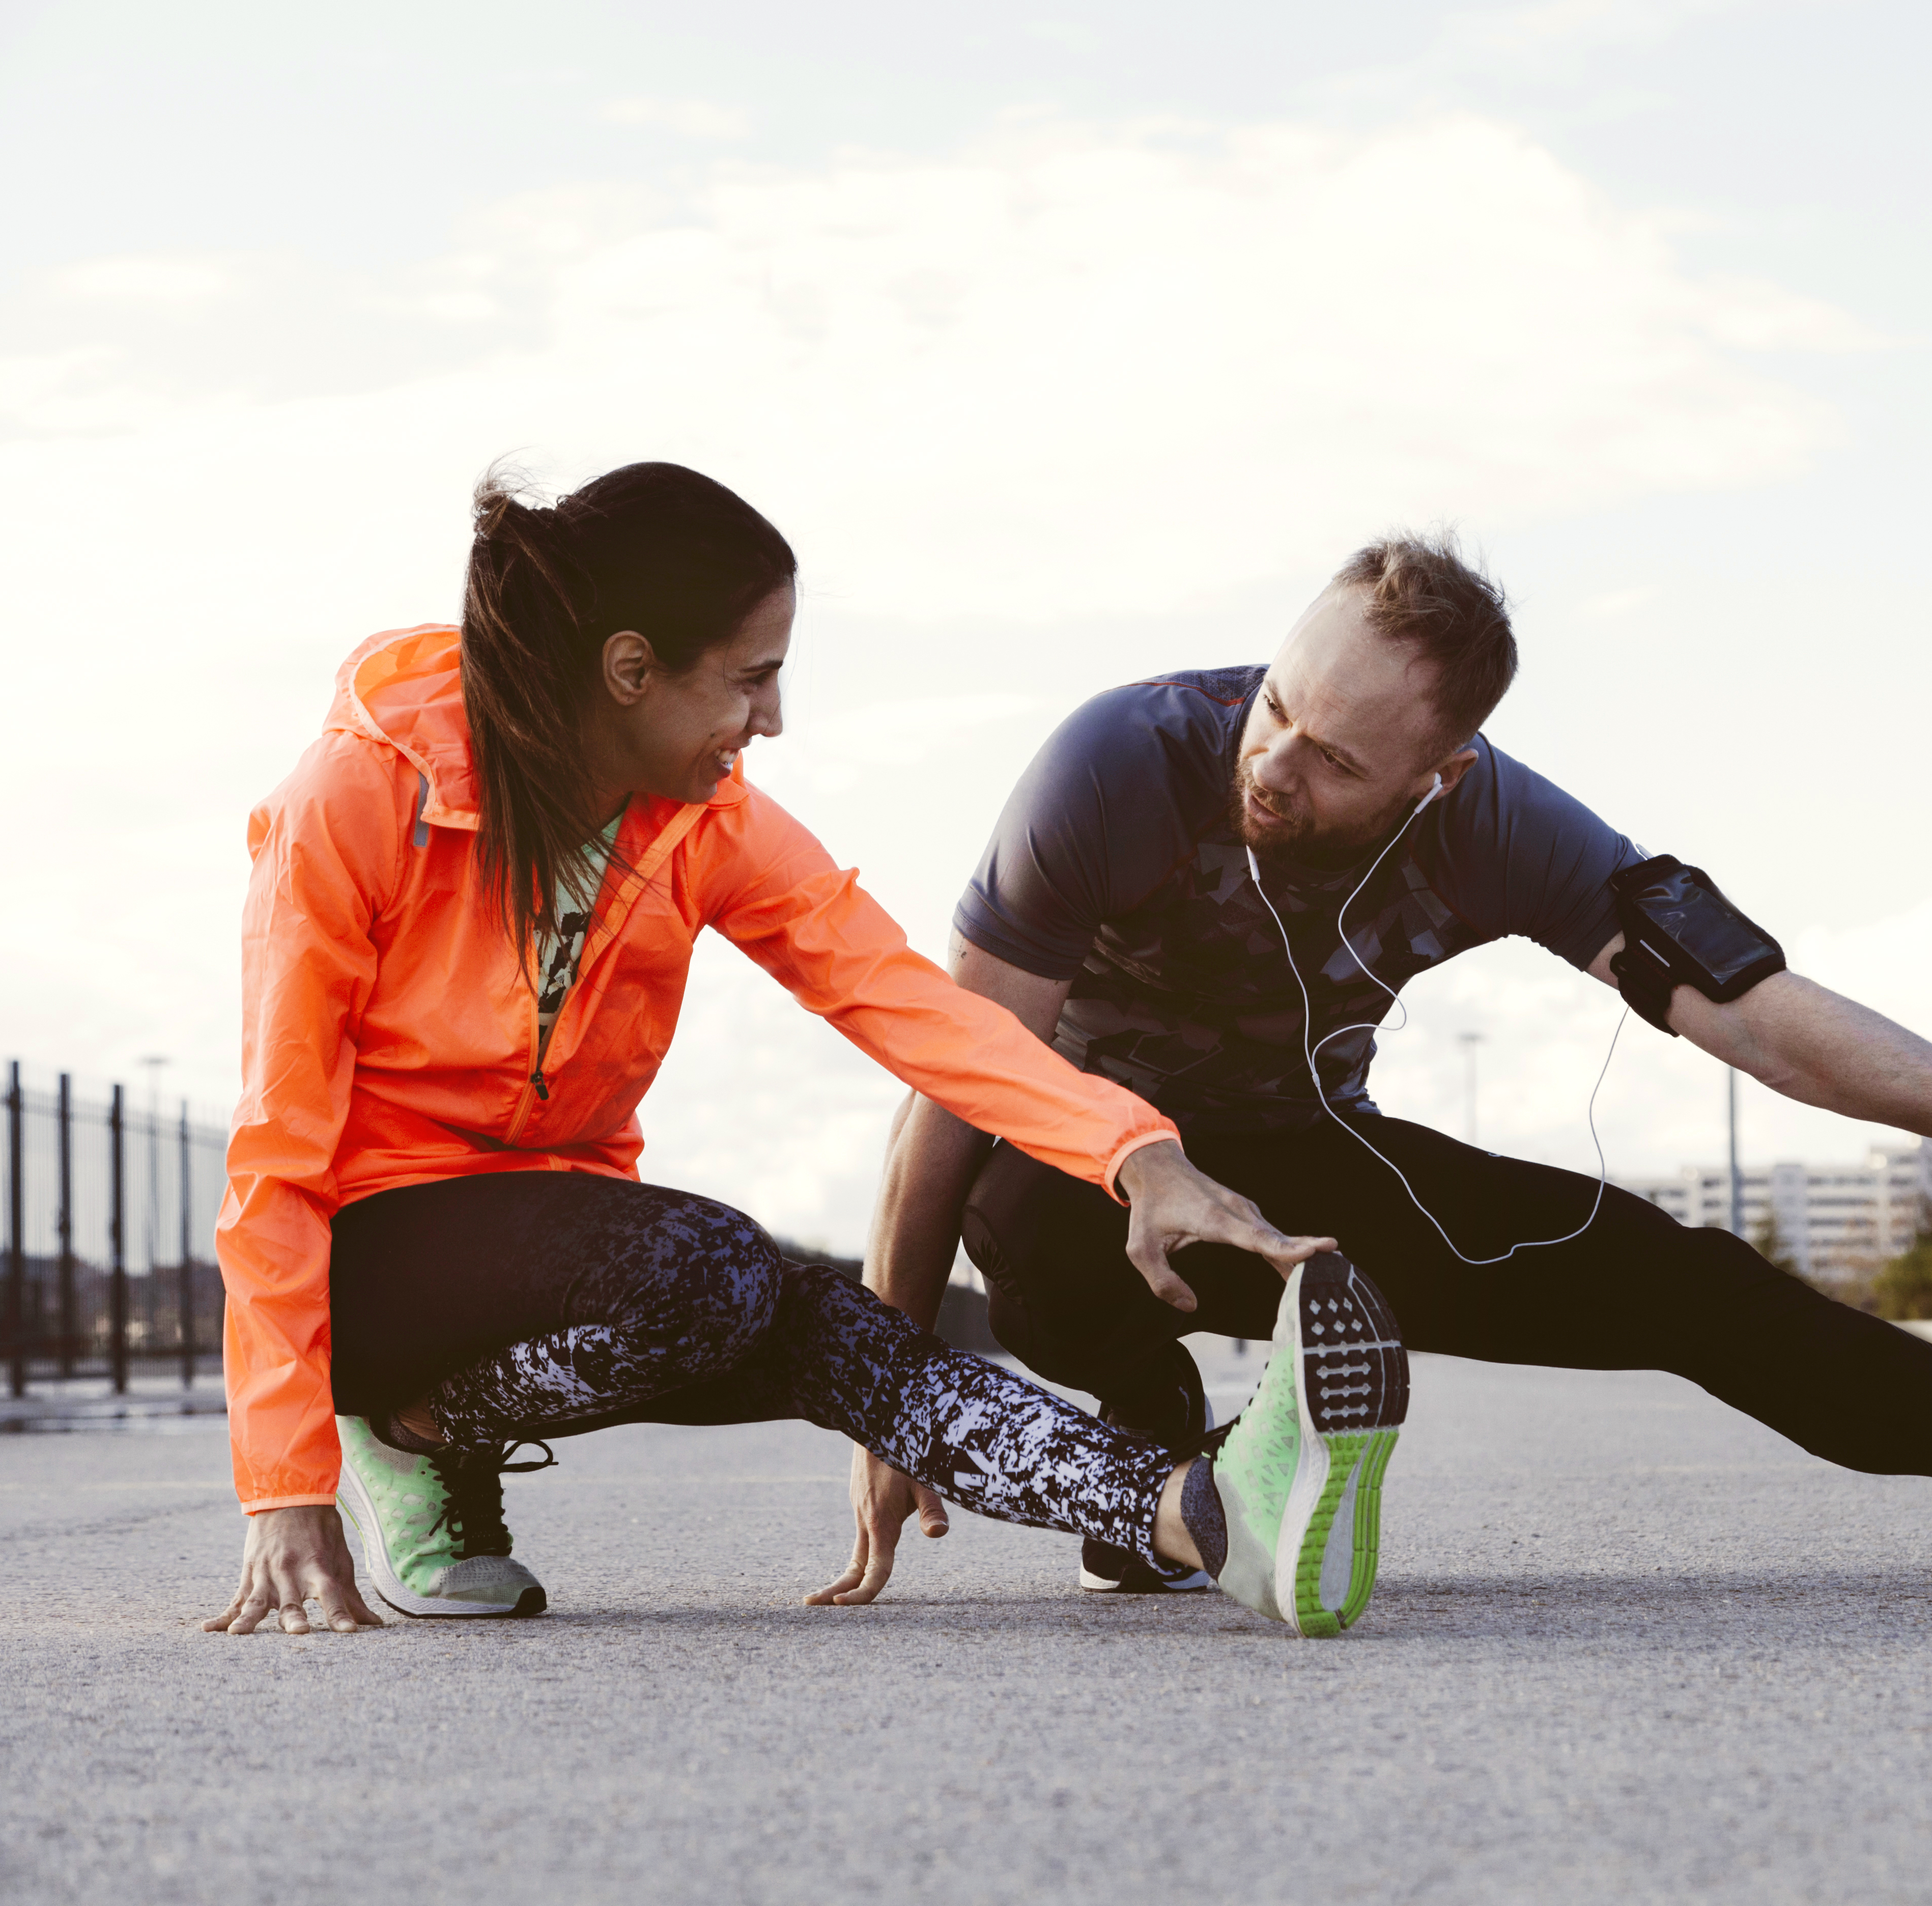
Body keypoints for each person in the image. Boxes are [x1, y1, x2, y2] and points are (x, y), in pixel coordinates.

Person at [843, 534, 1932, 1608]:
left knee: (1687, 1284)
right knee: (1023, 1205)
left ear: (1442, 775)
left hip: (1306, 1178)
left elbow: (1757, 1012)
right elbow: (957, 1079)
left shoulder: (1503, 829)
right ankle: (1157, 1456)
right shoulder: (1118, 766)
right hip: (1086, 1183)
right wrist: (887, 1402)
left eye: (1341, 762)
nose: (1277, 769)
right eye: (1278, 707)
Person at [206, 462, 1409, 1642]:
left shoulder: (699, 822)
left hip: (559, 1240)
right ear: (631, 671)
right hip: (368, 1255)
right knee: (712, 1267)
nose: (770, 718)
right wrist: (284, 1482)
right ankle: (407, 1433)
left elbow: (906, 1004)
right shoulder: (361, 797)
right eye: (751, 678)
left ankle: (1204, 1513)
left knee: (824, 1323)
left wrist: (1134, 1151)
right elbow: (275, 1154)